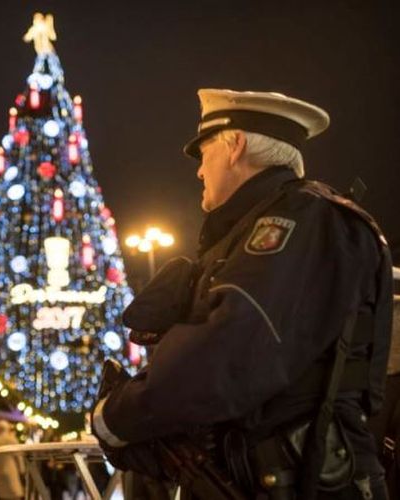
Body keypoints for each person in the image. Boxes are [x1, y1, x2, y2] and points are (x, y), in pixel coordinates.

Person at [91, 89, 393, 499]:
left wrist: (116, 415)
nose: (199, 171)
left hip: (303, 482)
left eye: (205, 151)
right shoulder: (262, 228)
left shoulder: (299, 220)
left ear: (235, 145)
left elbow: (228, 350)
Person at [0, 420, 24, 500]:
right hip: (11, 472)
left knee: (0, 496)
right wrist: (22, 470)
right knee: (14, 495)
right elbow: (19, 458)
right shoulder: (13, 440)